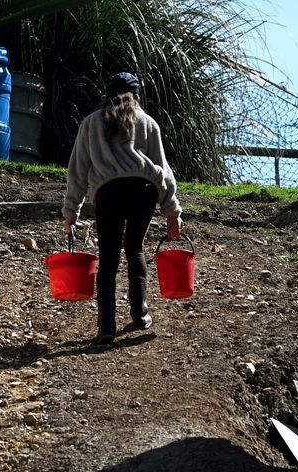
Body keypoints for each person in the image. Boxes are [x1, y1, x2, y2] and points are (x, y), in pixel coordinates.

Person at [62, 72, 183, 345]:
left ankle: (106, 326)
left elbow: (78, 171)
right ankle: (140, 314)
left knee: (108, 255)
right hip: (144, 191)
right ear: (137, 94)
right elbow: (163, 171)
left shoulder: (91, 123)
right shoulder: (148, 123)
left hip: (108, 193)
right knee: (134, 248)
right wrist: (172, 212)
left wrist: (71, 211)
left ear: (108, 93)